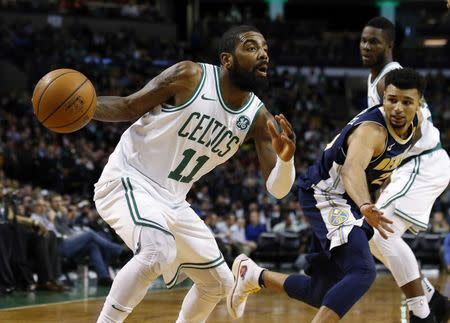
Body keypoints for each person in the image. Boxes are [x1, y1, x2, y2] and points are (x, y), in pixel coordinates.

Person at [92, 25, 296, 322]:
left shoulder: (257, 118)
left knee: (220, 283)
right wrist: (86, 109)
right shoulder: (191, 76)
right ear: (227, 59)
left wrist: (286, 160)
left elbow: (277, 190)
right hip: (129, 179)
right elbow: (128, 106)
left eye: (265, 48)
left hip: (174, 201)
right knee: (157, 250)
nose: (263, 53)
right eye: (251, 47)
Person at [228, 68, 424, 323]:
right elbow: (352, 170)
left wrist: (378, 190)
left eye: (406, 102)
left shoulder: (416, 125)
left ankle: (252, 275)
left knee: (322, 292)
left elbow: (382, 164)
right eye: (391, 99)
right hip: (327, 194)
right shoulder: (372, 130)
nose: (397, 108)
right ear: (383, 98)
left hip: (349, 201)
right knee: (362, 271)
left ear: (419, 104)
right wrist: (366, 203)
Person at [360, 16, 450, 323]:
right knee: (371, 235)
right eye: (363, 40)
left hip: (424, 161)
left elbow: (419, 118)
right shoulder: (374, 79)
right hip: (409, 166)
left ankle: (421, 311)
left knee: (377, 232)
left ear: (389, 45)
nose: (366, 46)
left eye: (374, 41)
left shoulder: (393, 75)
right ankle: (431, 299)